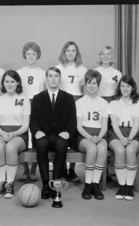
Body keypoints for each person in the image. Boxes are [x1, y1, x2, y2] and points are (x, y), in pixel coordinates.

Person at [30, 66, 77, 199]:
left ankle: (55, 184)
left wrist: (68, 132)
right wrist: (37, 132)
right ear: (46, 79)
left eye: (56, 76)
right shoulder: (38, 97)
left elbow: (72, 120)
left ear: (60, 79)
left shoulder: (68, 98)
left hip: (60, 135)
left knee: (62, 145)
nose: (53, 78)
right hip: (43, 135)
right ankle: (45, 184)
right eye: (50, 76)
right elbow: (33, 120)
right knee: (41, 145)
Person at [0, 70, 30, 199]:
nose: (9, 84)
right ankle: (1, 182)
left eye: (12, 81)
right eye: (7, 81)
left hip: (19, 134)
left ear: (17, 83)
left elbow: (25, 126)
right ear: (3, 83)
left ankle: (10, 183)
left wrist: (13, 134)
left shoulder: (24, 100)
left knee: (10, 147)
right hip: (1, 132)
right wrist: (3, 134)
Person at [107, 75, 139, 201]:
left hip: (132, 134)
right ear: (119, 87)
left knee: (130, 150)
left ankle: (129, 186)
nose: (125, 88)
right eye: (123, 86)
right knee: (119, 150)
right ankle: (121, 185)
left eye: (128, 86)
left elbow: (136, 125)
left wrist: (129, 138)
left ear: (132, 87)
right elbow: (113, 124)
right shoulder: (113, 103)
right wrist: (121, 138)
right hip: (115, 133)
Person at [56, 41, 87, 182]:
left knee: (73, 133)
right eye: (68, 50)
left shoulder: (83, 69)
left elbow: (85, 89)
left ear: (77, 53)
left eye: (73, 50)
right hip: (62, 101)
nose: (70, 53)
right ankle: (61, 168)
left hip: (77, 101)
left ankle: (72, 170)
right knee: (61, 133)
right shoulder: (58, 68)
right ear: (64, 52)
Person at [76, 69, 109, 200]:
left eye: (94, 83)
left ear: (98, 85)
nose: (91, 86)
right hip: (83, 135)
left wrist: (99, 138)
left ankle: (96, 184)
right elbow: (78, 126)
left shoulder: (104, 103)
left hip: (99, 134)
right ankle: (87, 185)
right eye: (89, 83)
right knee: (92, 147)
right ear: (85, 84)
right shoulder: (79, 102)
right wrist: (90, 138)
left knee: (101, 147)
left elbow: (105, 126)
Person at [17, 42, 46, 182]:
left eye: (33, 54)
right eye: (28, 53)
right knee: (23, 135)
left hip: (38, 105)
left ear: (38, 55)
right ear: (24, 55)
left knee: (36, 136)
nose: (31, 56)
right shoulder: (19, 72)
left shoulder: (42, 73)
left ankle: (34, 169)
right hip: (22, 104)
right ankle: (25, 169)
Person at [95, 46, 122, 182]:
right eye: (103, 54)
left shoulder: (117, 73)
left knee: (111, 133)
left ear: (112, 57)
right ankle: (101, 170)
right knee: (101, 133)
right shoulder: (95, 71)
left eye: (108, 54)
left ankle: (110, 167)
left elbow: (120, 92)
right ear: (100, 57)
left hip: (112, 102)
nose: (106, 56)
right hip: (99, 103)